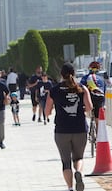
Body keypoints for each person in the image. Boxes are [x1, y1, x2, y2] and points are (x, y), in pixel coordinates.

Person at [45, 62, 92, 191]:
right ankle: (80, 173)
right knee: (78, 158)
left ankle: (70, 187)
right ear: (74, 73)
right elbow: (89, 108)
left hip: (62, 130)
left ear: (61, 74)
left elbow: (47, 111)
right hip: (80, 129)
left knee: (66, 162)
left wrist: (53, 110)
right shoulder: (82, 88)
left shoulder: (54, 90)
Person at [79, 61, 105, 132]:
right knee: (97, 119)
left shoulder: (85, 78)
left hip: (90, 98)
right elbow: (104, 92)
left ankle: (85, 128)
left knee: (81, 112)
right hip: (100, 99)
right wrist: (103, 105)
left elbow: (80, 89)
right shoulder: (101, 79)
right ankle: (98, 135)